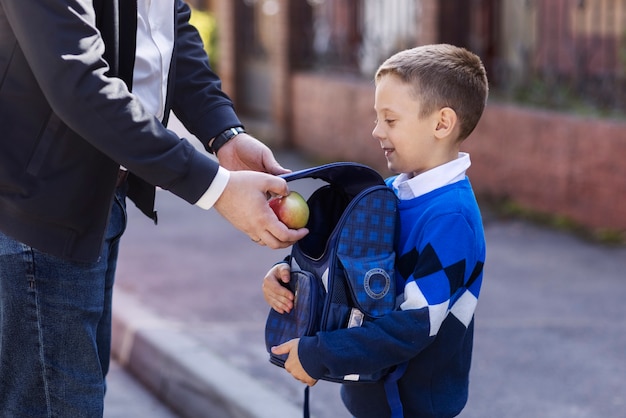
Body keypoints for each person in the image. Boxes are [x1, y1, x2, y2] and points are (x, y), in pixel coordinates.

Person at [0, 0, 308, 416]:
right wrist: (215, 187)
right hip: (38, 207)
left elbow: (169, 32)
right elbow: (76, 79)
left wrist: (224, 133)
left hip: (102, 195)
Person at [262, 44, 488, 418]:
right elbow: (344, 267)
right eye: (377, 117)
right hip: (374, 400)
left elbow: (415, 325)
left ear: (441, 123)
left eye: (391, 120)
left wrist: (323, 354)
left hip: (412, 408)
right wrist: (288, 274)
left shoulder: (451, 218)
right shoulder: (392, 192)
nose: (376, 130)